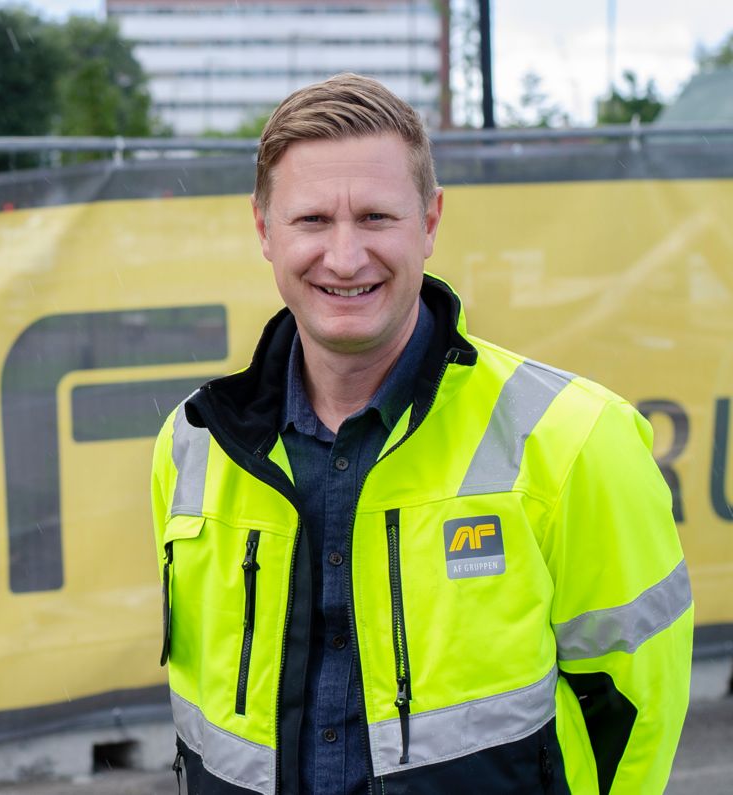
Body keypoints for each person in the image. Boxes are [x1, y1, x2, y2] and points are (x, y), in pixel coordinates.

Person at [150, 73, 693, 795]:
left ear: (431, 222)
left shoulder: (575, 439)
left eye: (376, 217)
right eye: (312, 220)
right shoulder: (193, 442)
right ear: (264, 231)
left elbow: (638, 712)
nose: (344, 258)